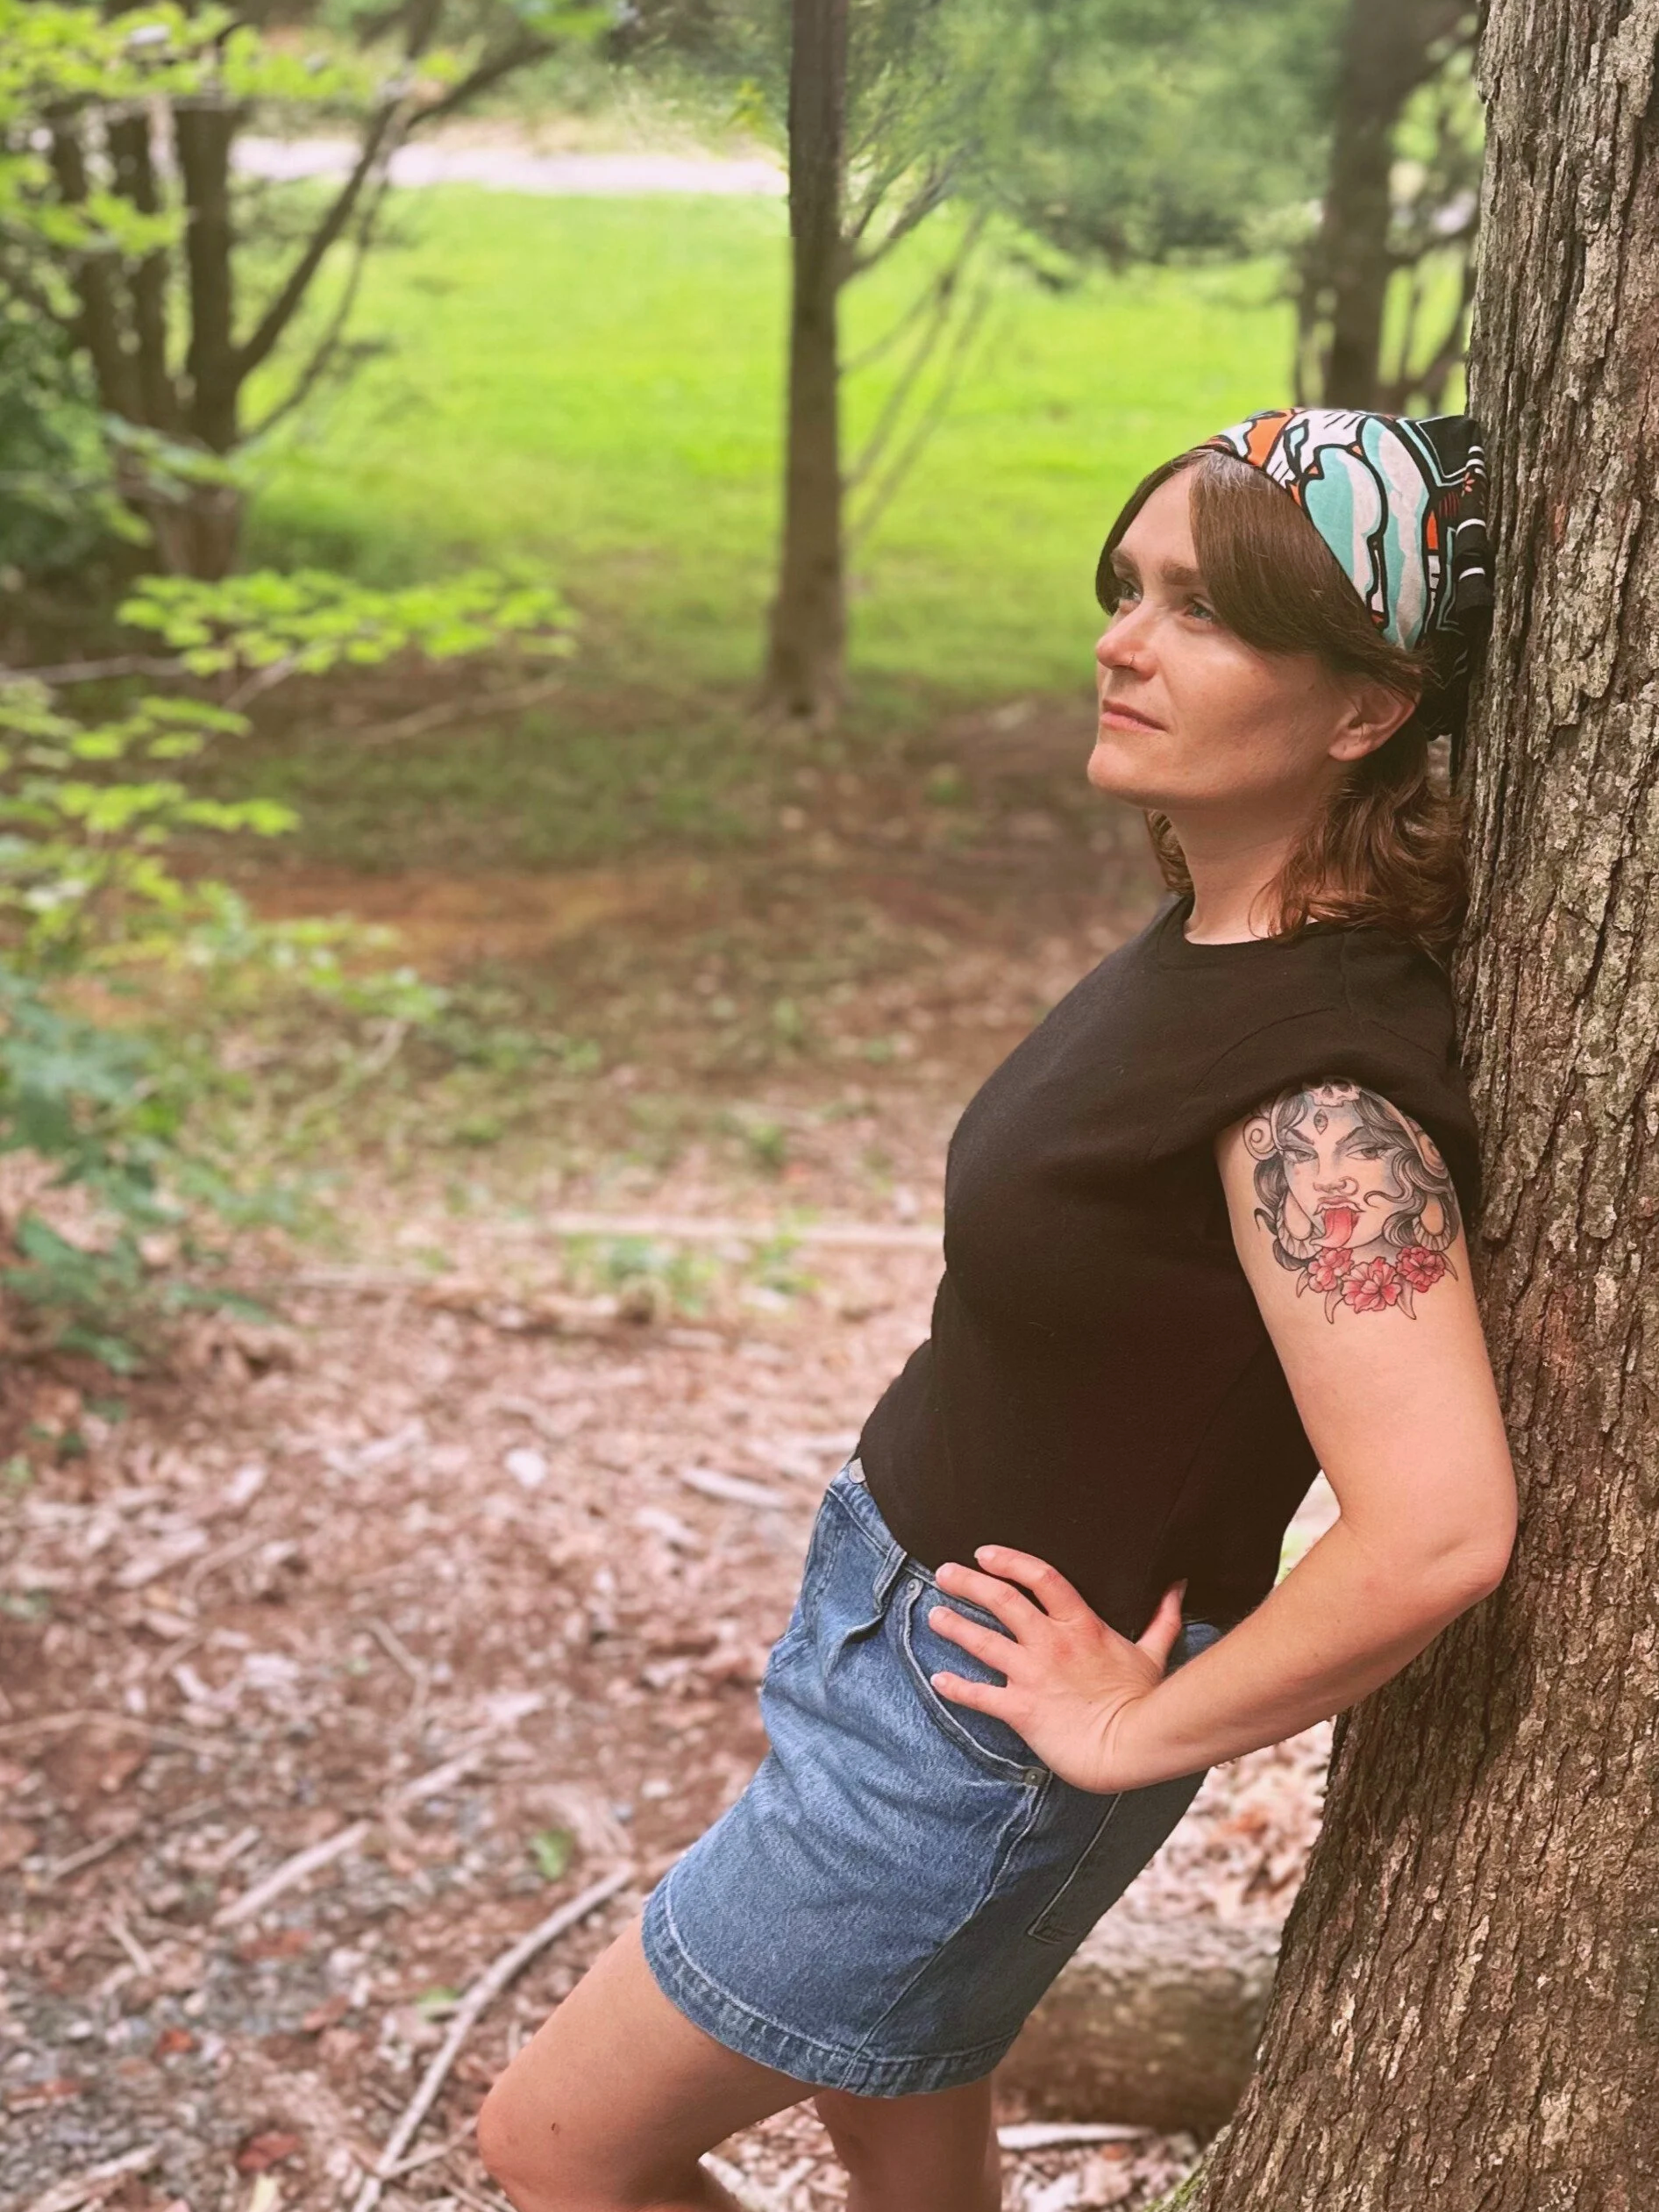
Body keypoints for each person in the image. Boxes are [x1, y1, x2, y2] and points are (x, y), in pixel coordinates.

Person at [476, 407, 1519, 2212]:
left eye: (1204, 611)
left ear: (1364, 706)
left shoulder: (1317, 1099)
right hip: (909, 1641)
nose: (1122, 641)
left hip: (971, 1754)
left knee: (559, 2150)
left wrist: (1124, 1733)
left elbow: (1438, 1530)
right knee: (892, 2126)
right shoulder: (1226, 940)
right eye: (1129, 587)